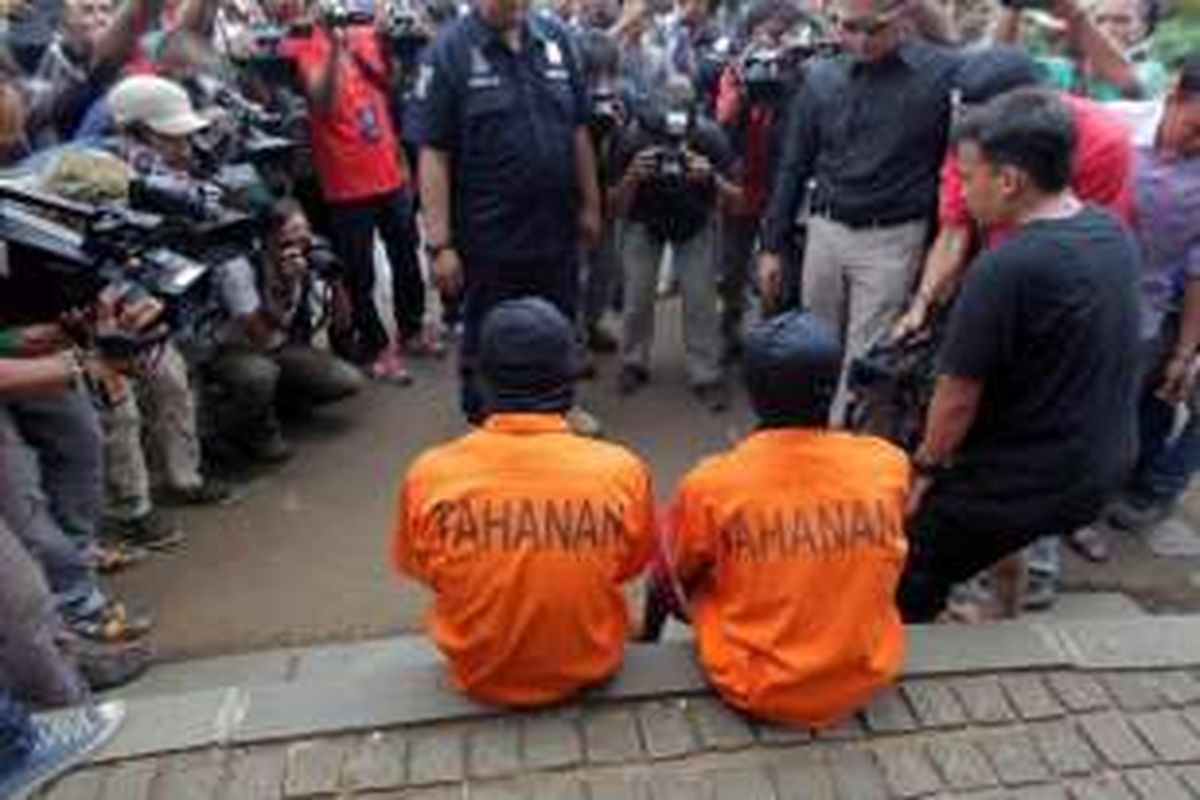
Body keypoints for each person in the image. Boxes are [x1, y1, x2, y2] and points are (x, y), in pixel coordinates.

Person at [893, 45, 1136, 600]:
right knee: (1003, 527)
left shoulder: (1006, 268)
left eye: (970, 176)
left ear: (1008, 181)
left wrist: (925, 473)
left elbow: (955, 399)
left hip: (1041, 478)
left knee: (917, 548)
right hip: (1105, 460)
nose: (964, 189)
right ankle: (1005, 612)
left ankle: (921, 656)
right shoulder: (1109, 231)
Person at [644, 311, 908, 727]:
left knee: (678, 550)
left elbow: (670, 578)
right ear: (833, 385)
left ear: (753, 393)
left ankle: (648, 645)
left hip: (757, 683)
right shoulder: (887, 464)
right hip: (864, 673)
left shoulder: (713, 482)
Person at [393, 297, 655, 706]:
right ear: (571, 379)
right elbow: (628, 566)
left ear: (480, 380)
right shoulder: (621, 470)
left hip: (477, 672)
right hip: (590, 665)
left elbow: (429, 572)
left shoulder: (430, 474)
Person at [757, 0, 961, 423]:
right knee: (812, 347)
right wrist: (772, 246)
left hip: (892, 238)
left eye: (875, 29)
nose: (862, 40)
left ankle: (846, 458)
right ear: (834, 21)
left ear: (903, 17)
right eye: (851, 28)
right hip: (826, 230)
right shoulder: (820, 76)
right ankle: (809, 441)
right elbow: (794, 164)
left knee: (867, 361)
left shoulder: (940, 73)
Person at [418, 0, 603, 429]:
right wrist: (439, 244)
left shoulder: (557, 40)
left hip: (556, 225)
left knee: (559, 322)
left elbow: (578, 130)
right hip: (489, 234)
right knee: (488, 332)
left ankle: (559, 409)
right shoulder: (449, 52)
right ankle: (485, 421)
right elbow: (433, 154)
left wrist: (592, 205)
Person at [282, 9, 436, 382]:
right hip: (345, 179)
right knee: (359, 271)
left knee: (406, 254)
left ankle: (411, 330)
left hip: (388, 167)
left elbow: (389, 89)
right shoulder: (298, 42)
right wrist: (336, 48)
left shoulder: (366, 33)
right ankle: (375, 348)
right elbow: (322, 101)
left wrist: (396, 45)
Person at [1093, 53, 1200, 534]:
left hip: (1143, 316)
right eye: (1197, 127)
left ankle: (1085, 511)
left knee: (1113, 419)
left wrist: (1182, 353)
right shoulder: (1111, 126)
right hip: (1074, 298)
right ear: (1175, 98)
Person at [610, 75, 740, 411]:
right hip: (644, 220)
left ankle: (706, 374)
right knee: (636, 296)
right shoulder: (633, 138)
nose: (672, 148)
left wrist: (711, 178)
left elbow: (736, 201)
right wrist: (632, 178)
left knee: (701, 299)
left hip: (695, 221)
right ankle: (632, 362)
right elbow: (615, 206)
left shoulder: (710, 136)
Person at [205, 198, 365, 460]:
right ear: (268, 238)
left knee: (347, 380)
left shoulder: (306, 258)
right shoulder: (238, 267)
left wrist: (335, 281)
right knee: (260, 374)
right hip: (234, 349)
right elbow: (261, 335)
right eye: (289, 237)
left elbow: (344, 324)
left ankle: (282, 403)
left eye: (304, 235)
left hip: (279, 346)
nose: (299, 245)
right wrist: (287, 285)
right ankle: (241, 430)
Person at [996, 0, 1167, 100]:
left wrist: (1073, 14)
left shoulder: (1153, 72)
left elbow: (1129, 83)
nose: (1107, 28)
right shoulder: (1063, 70)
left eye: (1122, 20)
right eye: (1099, 20)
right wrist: (1013, 6)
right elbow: (1001, 69)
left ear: (1146, 28)